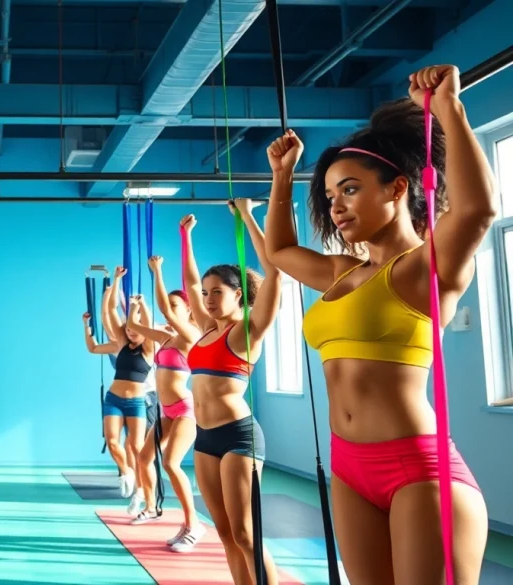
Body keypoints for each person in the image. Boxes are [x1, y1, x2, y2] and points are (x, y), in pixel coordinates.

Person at [263, 64, 493, 584]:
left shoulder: (422, 271)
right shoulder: (342, 273)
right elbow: (278, 250)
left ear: (397, 189)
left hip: (417, 469)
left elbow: (478, 210)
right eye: (328, 196)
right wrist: (282, 177)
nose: (335, 207)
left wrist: (448, 110)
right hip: (349, 468)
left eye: (348, 190)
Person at [182, 199, 282, 584]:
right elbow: (191, 283)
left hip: (239, 437)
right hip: (204, 437)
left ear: (238, 294)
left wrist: (248, 218)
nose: (208, 299)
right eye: (207, 293)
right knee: (224, 534)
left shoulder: (246, 330)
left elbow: (274, 273)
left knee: (245, 534)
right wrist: (186, 238)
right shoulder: (207, 329)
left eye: (217, 292)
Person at [125, 256, 206, 553]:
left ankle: (193, 525)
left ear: (187, 311)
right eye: (169, 306)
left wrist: (158, 271)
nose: (169, 312)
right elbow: (133, 325)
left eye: (175, 306)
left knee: (171, 462)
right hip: (165, 411)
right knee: (144, 458)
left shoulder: (190, 337)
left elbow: (164, 312)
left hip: (185, 410)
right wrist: (135, 304)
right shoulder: (165, 339)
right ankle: (149, 507)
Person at [83, 267, 156, 506]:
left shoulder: (149, 349)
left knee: (137, 447)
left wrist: (139, 306)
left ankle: (141, 492)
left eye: (136, 329)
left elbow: (146, 323)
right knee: (113, 441)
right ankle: (126, 472)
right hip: (113, 398)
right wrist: (114, 281)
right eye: (128, 330)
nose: (131, 332)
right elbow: (107, 312)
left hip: (136, 403)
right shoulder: (121, 345)